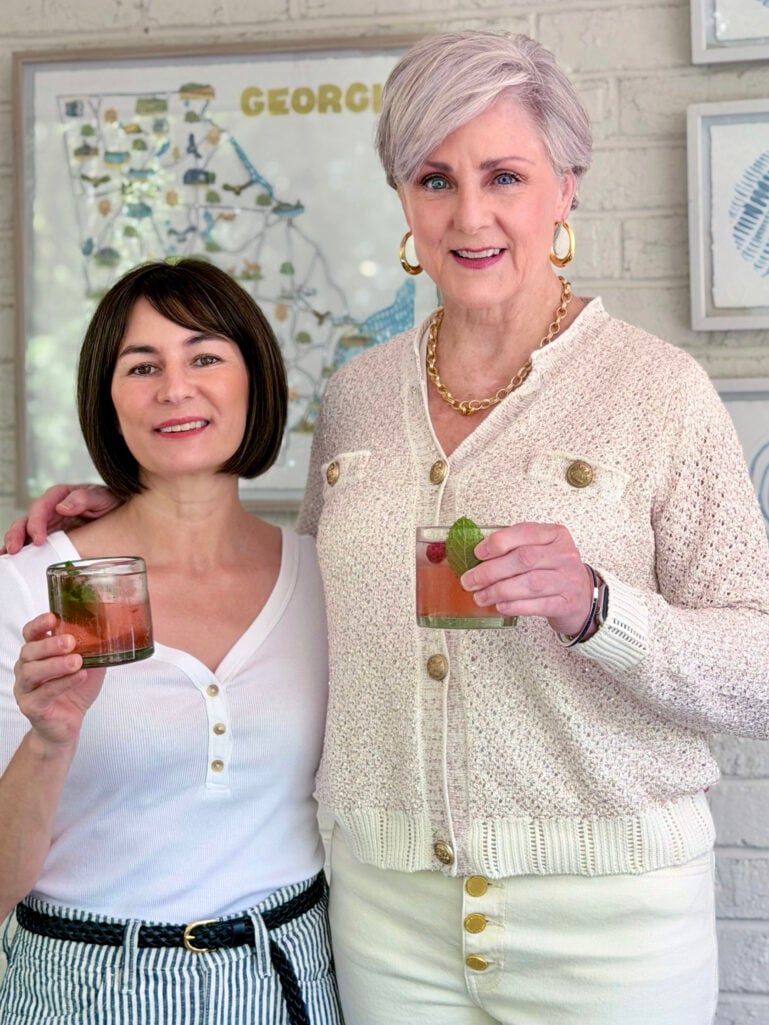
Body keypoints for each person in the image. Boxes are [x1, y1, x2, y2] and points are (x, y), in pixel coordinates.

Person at [6, 30, 769, 1025]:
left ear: (567, 186)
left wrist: (597, 608)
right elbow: (329, 602)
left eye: (504, 174)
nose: (470, 212)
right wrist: (149, 504)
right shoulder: (359, 394)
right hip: (384, 916)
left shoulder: (657, 391)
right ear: (404, 203)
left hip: (603, 915)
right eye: (433, 178)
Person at [0, 259, 342, 1025]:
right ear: (106, 397)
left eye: (205, 357)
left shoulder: (324, 579)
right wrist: (49, 739)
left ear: (254, 380)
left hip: (289, 978)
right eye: (141, 365)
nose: (174, 388)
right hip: (78, 988)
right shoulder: (24, 586)